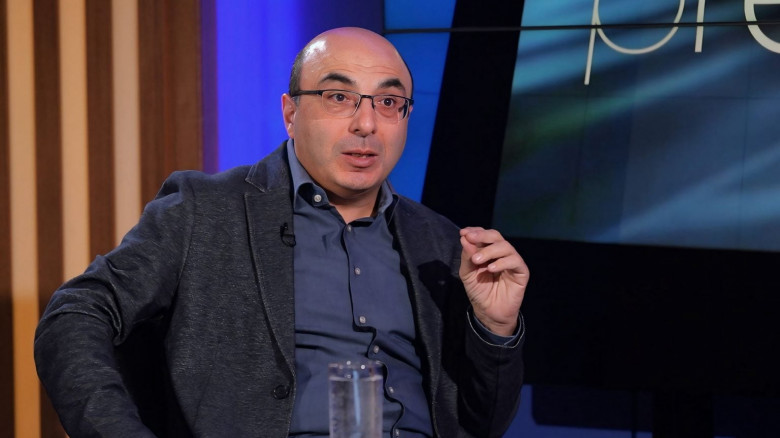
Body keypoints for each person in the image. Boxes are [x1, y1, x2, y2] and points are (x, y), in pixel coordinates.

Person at [34, 27, 529, 437]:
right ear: (291, 113)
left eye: (388, 102)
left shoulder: (440, 242)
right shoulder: (205, 211)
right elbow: (75, 314)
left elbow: (482, 423)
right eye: (339, 97)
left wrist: (496, 330)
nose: (366, 124)